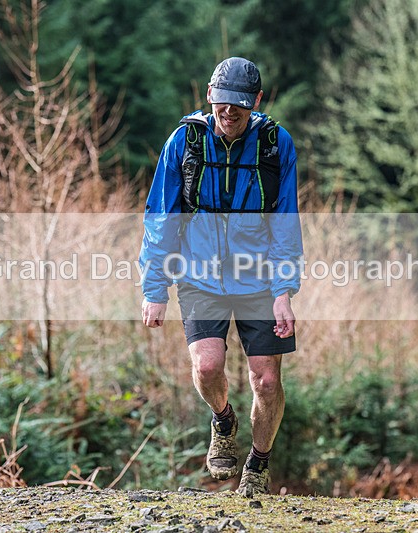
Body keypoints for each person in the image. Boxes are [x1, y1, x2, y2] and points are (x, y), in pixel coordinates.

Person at [139, 57, 303, 497]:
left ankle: (259, 461)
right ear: (210, 95)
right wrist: (155, 288)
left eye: (240, 105)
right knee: (208, 366)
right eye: (222, 102)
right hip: (200, 275)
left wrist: (284, 291)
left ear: (257, 102)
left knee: (266, 382)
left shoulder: (275, 144)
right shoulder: (184, 142)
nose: (229, 113)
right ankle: (223, 419)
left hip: (261, 278)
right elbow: (161, 217)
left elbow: (286, 220)